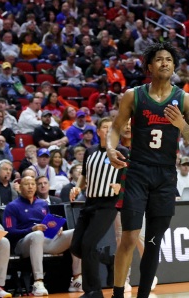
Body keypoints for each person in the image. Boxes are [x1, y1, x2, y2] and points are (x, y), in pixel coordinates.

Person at [107, 42, 189, 298]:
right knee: (129, 236)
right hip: (137, 171)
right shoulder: (134, 95)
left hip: (165, 175)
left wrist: (181, 124)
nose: (164, 63)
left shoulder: (185, 99)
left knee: (153, 242)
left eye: (169, 59)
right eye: (159, 59)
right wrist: (110, 148)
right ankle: (118, 294)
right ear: (149, 66)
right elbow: (116, 127)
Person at [70, 116, 122, 298]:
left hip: (108, 204)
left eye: (111, 128)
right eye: (105, 127)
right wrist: (77, 186)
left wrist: (121, 186)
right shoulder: (90, 151)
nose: (108, 130)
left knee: (88, 244)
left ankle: (93, 291)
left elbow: (131, 177)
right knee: (77, 246)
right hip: (89, 202)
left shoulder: (121, 151)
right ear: (98, 131)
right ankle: (106, 258)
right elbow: (84, 175)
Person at [3, 175, 80, 296]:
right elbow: (9, 232)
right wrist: (31, 229)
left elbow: (48, 223)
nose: (30, 187)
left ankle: (77, 279)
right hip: (22, 244)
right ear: (19, 188)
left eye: (32, 184)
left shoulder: (42, 204)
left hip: (45, 241)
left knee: (76, 232)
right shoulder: (12, 206)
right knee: (37, 234)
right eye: (26, 184)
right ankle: (38, 282)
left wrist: (56, 228)